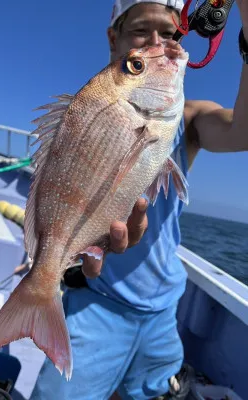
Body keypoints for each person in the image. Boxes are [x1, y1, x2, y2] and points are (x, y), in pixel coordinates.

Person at [30, 1, 248, 399]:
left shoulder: (188, 121)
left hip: (165, 309)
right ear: (114, 39)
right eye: (140, 34)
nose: (156, 42)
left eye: (168, 33)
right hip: (98, 300)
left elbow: (243, 131)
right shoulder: (101, 111)